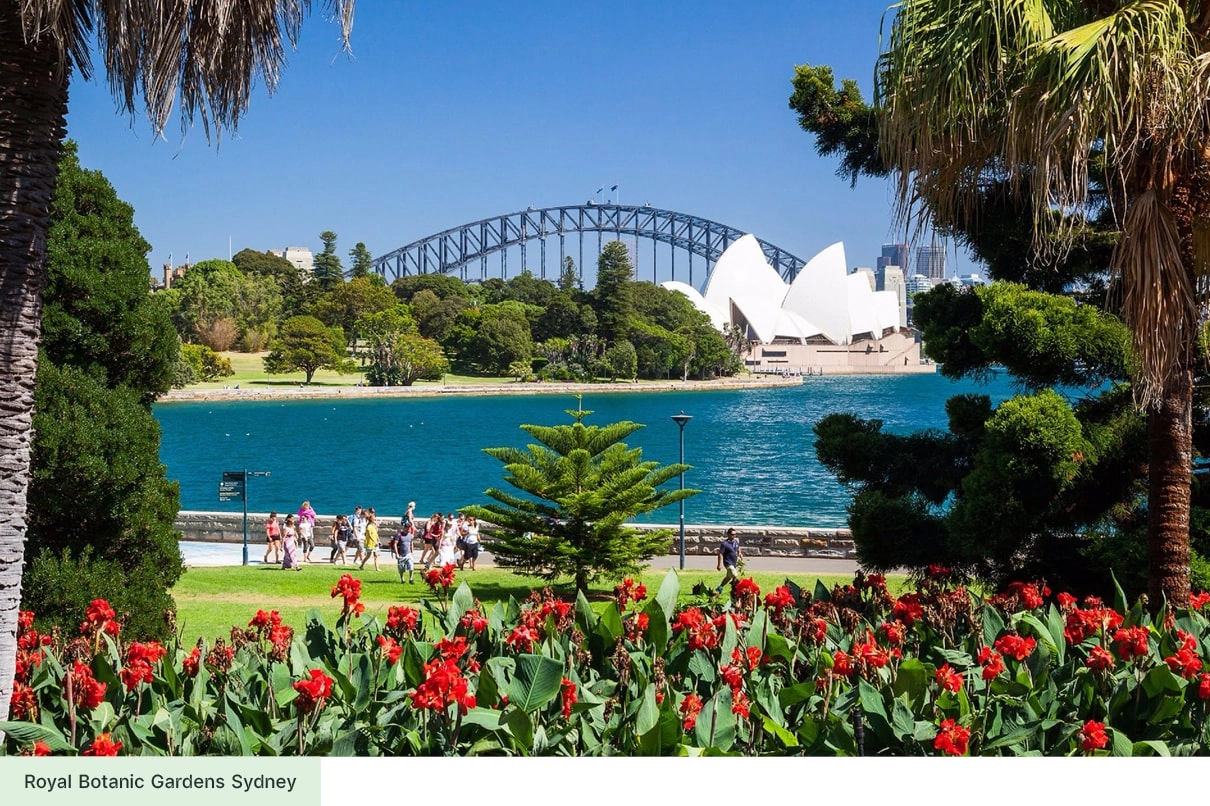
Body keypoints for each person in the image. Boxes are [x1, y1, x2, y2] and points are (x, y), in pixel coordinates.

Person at [715, 527, 742, 594]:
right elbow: (720, 554)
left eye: (735, 534)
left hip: (734, 563)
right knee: (735, 575)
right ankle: (737, 589)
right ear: (728, 534)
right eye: (732, 534)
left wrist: (740, 553)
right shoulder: (724, 544)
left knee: (728, 577)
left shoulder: (735, 542)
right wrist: (719, 565)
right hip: (728, 563)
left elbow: (738, 548)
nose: (734, 536)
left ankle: (720, 587)